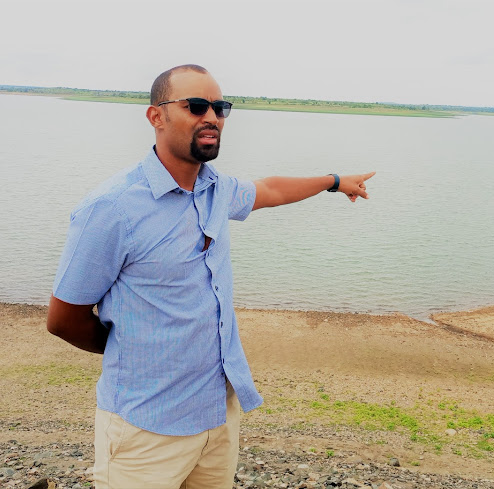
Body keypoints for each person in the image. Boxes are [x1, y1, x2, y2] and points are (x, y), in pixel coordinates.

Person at [46, 64, 374, 489]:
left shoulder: (216, 189)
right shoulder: (111, 208)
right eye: (196, 106)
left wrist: (334, 180)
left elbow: (270, 190)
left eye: (220, 108)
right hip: (145, 428)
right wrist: (134, 350)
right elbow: (63, 318)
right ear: (156, 116)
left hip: (216, 416)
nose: (212, 117)